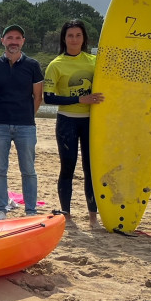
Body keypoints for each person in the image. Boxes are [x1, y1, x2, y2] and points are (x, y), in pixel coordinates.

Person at [43, 21, 104, 228]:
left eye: (78, 35)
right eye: (70, 35)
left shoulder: (95, 61)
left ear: (84, 38)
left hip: (92, 122)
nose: (74, 39)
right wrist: (80, 100)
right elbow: (49, 98)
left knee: (91, 169)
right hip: (67, 121)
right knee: (68, 168)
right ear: (64, 38)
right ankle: (67, 215)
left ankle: (93, 216)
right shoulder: (56, 64)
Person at [0, 24, 45, 221]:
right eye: (9, 38)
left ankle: (30, 212)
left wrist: (27, 116)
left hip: (26, 126)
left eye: (18, 38)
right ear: (2, 41)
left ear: (23, 42)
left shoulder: (33, 65)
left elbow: (38, 97)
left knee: (28, 169)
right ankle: (0, 209)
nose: (14, 41)